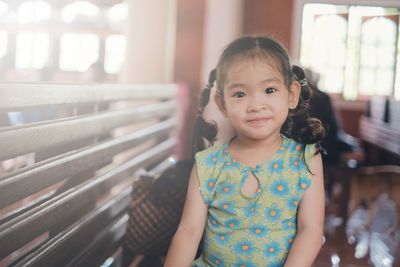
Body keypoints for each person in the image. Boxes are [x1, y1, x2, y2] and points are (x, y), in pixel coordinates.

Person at [164, 35, 326, 267]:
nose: (256, 105)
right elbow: (188, 231)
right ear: (222, 104)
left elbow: (311, 230)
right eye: (240, 94)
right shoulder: (208, 163)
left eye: (269, 90)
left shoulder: (305, 158)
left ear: (291, 95)